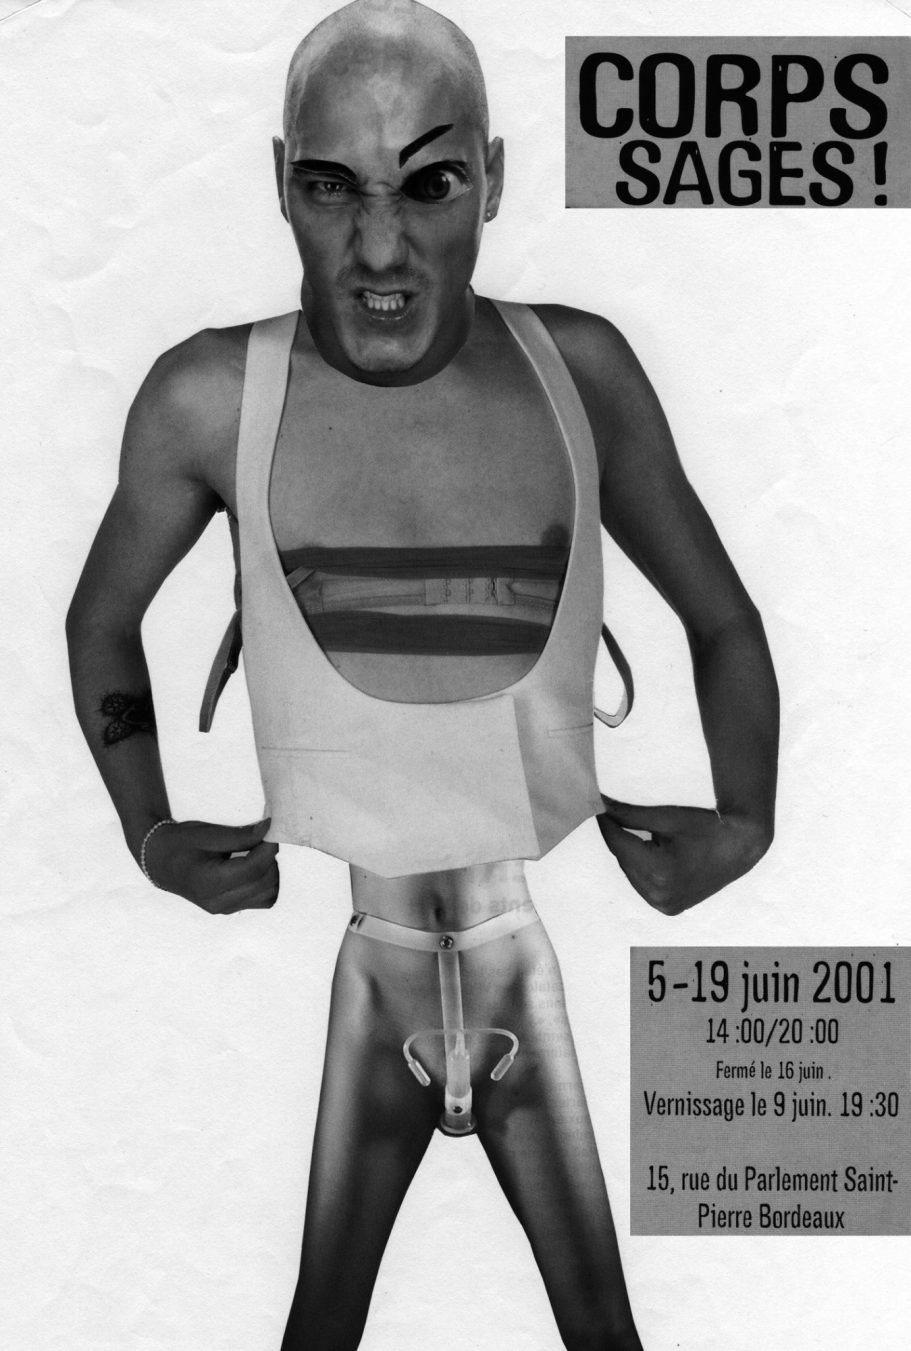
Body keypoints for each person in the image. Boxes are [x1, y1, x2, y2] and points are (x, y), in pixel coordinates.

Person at [66, 2, 778, 1347]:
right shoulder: (211, 397)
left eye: (431, 185)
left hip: (515, 949)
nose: (380, 249)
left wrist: (751, 820)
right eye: (333, 188)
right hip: (377, 955)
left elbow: (724, 622)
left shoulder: (578, 372)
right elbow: (101, 621)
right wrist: (148, 834)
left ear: (493, 182)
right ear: (281, 183)